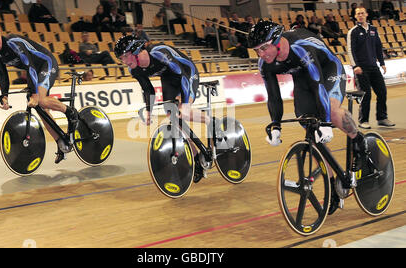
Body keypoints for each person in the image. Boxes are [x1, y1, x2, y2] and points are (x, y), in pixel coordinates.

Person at [247, 20, 369, 207]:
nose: (261, 54)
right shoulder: (264, 64)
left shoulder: (299, 47)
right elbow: (273, 96)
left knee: (331, 110)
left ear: (278, 40)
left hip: (327, 70)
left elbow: (318, 84)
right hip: (303, 79)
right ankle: (332, 188)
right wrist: (275, 125)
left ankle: (358, 140)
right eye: (257, 51)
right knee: (311, 130)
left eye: (264, 48)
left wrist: (327, 122)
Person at [114, 35, 221, 183]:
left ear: (137, 50)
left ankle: (211, 121)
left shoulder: (159, 52)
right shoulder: (135, 70)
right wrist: (149, 111)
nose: (124, 61)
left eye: (126, 56)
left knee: (182, 110)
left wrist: (185, 103)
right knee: (173, 117)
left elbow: (183, 76)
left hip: (187, 73)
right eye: (121, 58)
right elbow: (148, 90)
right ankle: (197, 157)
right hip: (169, 78)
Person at [0, 19, 78, 164]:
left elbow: (30, 67)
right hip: (34, 70)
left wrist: (35, 94)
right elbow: (2, 74)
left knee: (40, 100)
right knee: (40, 109)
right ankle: (61, 142)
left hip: (45, 64)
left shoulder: (13, 42)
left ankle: (70, 112)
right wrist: (4, 95)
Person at [347, 7, 395, 129]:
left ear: (367, 14)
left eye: (362, 13)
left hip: (374, 67)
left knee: (382, 92)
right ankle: (363, 120)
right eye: (358, 14)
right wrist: (355, 66)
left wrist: (382, 63)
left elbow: (378, 47)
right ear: (355, 16)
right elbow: (350, 50)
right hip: (361, 69)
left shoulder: (373, 30)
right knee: (366, 95)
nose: (360, 15)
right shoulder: (353, 31)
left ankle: (382, 118)